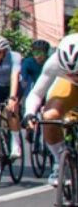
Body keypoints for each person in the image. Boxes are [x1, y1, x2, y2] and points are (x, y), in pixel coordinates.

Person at [23, 34, 78, 187]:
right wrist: (29, 113)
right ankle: (59, 162)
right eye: (71, 73)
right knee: (49, 116)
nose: (76, 76)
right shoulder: (53, 63)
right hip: (67, 86)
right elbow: (36, 93)